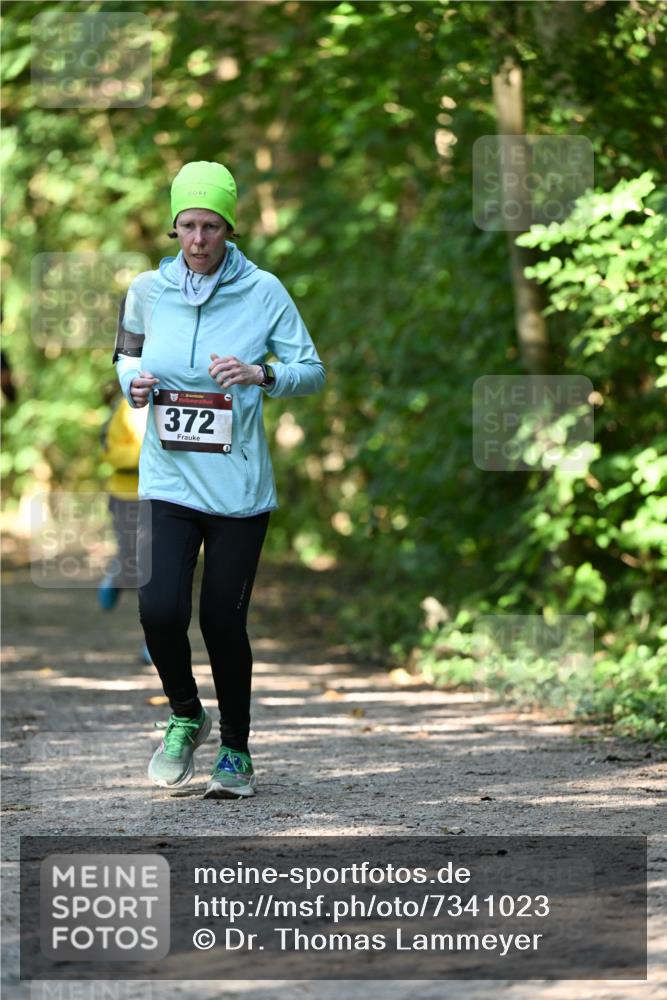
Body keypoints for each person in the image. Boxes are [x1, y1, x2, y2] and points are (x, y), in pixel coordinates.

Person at [113, 160, 325, 800]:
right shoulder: (148, 291)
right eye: (187, 226)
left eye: (211, 226)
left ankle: (235, 748)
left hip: (236, 492)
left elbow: (310, 369)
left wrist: (262, 375)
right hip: (167, 482)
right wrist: (136, 386)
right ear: (174, 227)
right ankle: (185, 714)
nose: (199, 239)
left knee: (220, 622)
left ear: (229, 228)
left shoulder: (263, 292)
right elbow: (124, 358)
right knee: (158, 611)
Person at [97, 391, 152, 665]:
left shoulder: (184, 399)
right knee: (137, 565)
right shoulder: (126, 406)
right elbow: (110, 452)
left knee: (159, 570)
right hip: (128, 496)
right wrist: (150, 451)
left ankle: (154, 641)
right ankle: (118, 575)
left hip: (169, 497)